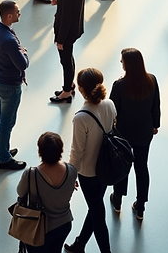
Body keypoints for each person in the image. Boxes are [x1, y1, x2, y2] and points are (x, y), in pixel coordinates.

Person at [64, 68, 117, 253]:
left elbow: (77, 152)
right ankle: (80, 244)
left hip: (88, 173)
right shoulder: (110, 104)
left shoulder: (81, 117)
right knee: (95, 207)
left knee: (97, 213)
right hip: (106, 168)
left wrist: (70, 176)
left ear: (80, 89)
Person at [109, 48, 160, 220]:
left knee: (122, 166)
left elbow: (113, 110)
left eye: (122, 60)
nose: (120, 63)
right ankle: (141, 206)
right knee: (142, 167)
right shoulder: (151, 80)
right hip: (144, 132)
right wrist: (155, 125)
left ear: (127, 64)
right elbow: (156, 106)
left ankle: (117, 199)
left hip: (123, 133)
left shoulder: (120, 85)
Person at [16, 132, 76, 253]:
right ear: (61, 150)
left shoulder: (31, 174)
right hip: (64, 223)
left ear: (40, 152)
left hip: (38, 228)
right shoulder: (71, 170)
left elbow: (20, 192)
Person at [0, 0, 28, 170]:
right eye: (17, 11)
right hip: (9, 86)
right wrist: (24, 53)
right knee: (7, 121)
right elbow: (22, 64)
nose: (19, 13)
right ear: (9, 16)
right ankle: (4, 159)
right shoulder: (9, 40)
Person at [49, 0, 86, 103]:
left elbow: (66, 18)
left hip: (67, 32)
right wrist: (60, 1)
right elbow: (72, 5)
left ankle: (66, 92)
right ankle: (69, 85)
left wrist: (60, 39)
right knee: (69, 57)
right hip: (74, 29)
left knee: (65, 61)